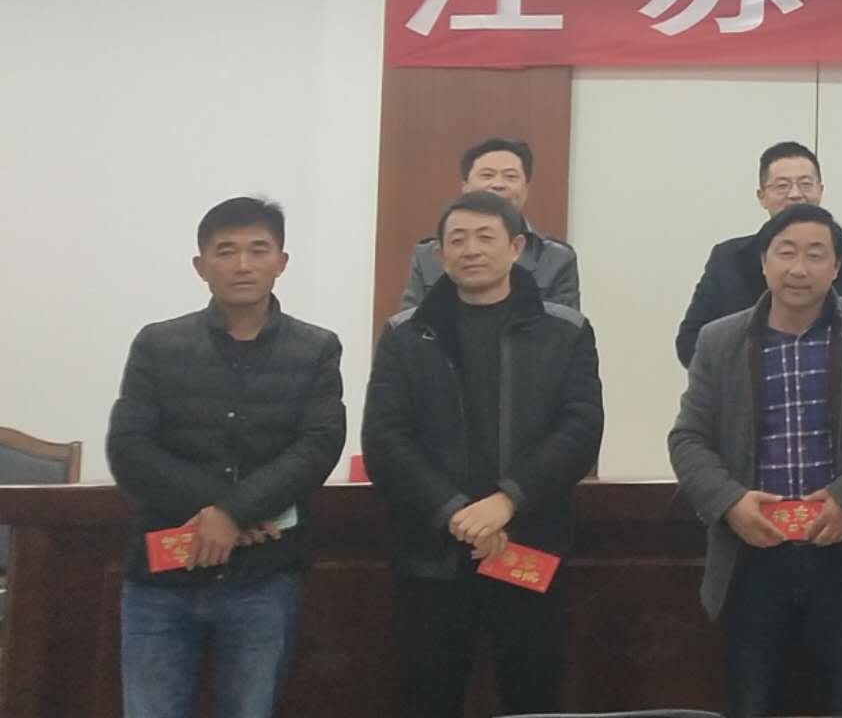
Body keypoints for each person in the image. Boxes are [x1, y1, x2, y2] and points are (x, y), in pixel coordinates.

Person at [670, 204, 842, 718]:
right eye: (785, 252)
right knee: (752, 701)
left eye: (816, 254)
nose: (799, 268)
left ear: (836, 266)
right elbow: (687, 438)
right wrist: (730, 502)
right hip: (752, 554)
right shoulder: (719, 340)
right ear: (763, 261)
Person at [364, 191, 604, 718]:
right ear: (440, 255)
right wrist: (456, 513)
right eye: (457, 240)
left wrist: (507, 501)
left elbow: (580, 431)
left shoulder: (565, 331)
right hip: (431, 555)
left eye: (485, 237)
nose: (470, 249)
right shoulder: (406, 334)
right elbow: (385, 439)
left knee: (533, 697)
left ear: (516, 247)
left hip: (528, 544)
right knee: (427, 697)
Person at [107, 197, 345, 718]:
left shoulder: (316, 349)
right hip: (162, 578)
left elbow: (318, 446)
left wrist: (234, 514)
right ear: (201, 265)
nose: (242, 264)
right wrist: (224, 511)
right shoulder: (158, 344)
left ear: (281, 261)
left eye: (258, 250)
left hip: (263, 578)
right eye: (226, 251)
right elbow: (128, 448)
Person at [676, 141, 842, 366]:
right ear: (761, 196)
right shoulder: (728, 259)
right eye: (782, 186)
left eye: (806, 184)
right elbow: (690, 342)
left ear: (820, 190)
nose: (795, 194)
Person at [397, 137, 579, 311]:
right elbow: (410, 325)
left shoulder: (556, 258)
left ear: (526, 188)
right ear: (465, 186)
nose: (498, 184)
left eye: (510, 176)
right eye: (487, 175)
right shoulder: (427, 256)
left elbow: (564, 327)